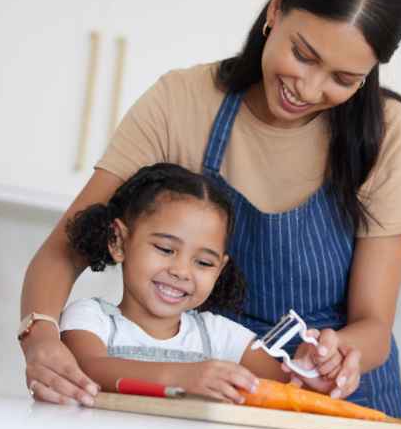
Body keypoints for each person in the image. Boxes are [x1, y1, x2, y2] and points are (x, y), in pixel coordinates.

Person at [20, 0, 401, 417]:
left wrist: (338, 352)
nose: (310, 89)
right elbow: (65, 247)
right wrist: (40, 337)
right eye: (303, 54)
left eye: (344, 78)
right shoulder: (182, 102)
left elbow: (373, 324)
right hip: (215, 402)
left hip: (342, 413)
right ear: (277, 7)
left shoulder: (387, 133)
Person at [59, 163, 331, 402]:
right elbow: (88, 367)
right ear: (118, 241)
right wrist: (181, 376)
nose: (182, 271)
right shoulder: (91, 318)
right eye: (165, 249)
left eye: (203, 263)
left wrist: (311, 377)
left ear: (220, 268)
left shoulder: (219, 336)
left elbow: (287, 391)